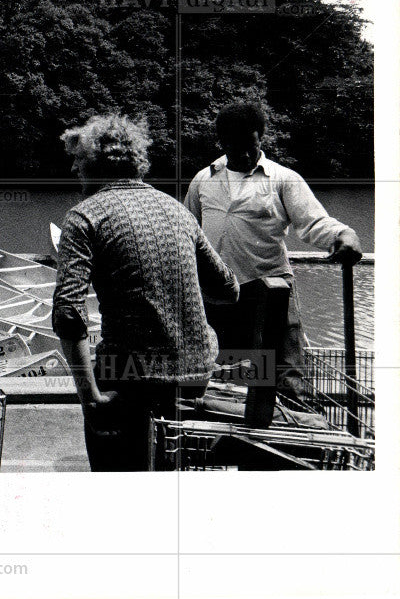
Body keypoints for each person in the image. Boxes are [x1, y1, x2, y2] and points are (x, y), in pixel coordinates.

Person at [53, 114, 239, 471]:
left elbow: (68, 313)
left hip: (129, 378)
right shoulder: (178, 211)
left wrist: (89, 397)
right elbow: (228, 289)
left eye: (77, 162)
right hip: (195, 374)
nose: (75, 171)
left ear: (94, 163)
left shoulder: (84, 217)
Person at [184, 101, 363, 409]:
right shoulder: (204, 179)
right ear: (222, 142)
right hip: (218, 296)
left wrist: (344, 235)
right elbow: (186, 230)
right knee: (226, 380)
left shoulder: (282, 178)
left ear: (262, 138)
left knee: (284, 378)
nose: (243, 154)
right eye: (233, 147)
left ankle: (291, 440)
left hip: (272, 293)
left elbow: (315, 222)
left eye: (250, 146)